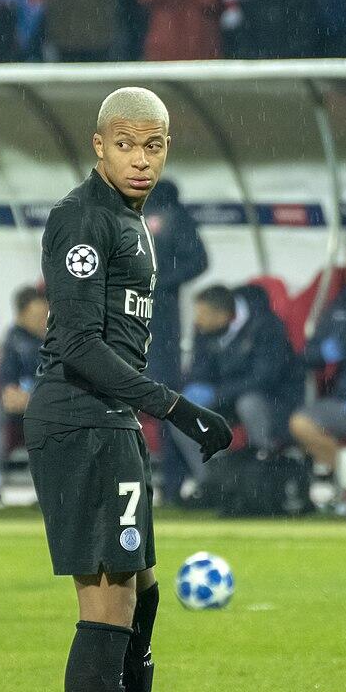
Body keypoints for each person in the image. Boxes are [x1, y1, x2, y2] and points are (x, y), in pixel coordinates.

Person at [23, 87, 232, 692]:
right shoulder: (82, 218)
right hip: (80, 420)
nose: (140, 159)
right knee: (108, 605)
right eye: (125, 145)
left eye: (152, 146)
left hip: (111, 422)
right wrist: (175, 408)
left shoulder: (131, 215)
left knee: (142, 599)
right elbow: (80, 344)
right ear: (99, 146)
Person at [180, 283, 301, 469]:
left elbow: (264, 378)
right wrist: (194, 385)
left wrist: (217, 394)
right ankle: (213, 481)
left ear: (222, 317)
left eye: (203, 315)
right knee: (180, 413)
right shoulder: (204, 327)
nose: (198, 321)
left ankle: (266, 471)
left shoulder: (266, 325)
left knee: (249, 404)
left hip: (274, 399)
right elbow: (200, 366)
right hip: (227, 398)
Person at [289, 246, 346, 475]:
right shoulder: (338, 308)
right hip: (345, 402)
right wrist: (321, 353)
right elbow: (307, 356)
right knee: (300, 423)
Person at [142, 179, 208, 505]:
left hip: (160, 327)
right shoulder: (115, 206)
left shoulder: (171, 212)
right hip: (117, 321)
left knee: (166, 402)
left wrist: (159, 283)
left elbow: (198, 261)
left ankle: (172, 485)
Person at [0, 285, 47, 506]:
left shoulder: (57, 340)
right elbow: (5, 377)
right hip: (18, 409)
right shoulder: (14, 338)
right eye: (36, 316)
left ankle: (48, 491)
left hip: (46, 405)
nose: (42, 321)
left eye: (45, 315)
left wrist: (33, 398)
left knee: (54, 413)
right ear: (21, 316)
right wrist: (8, 393)